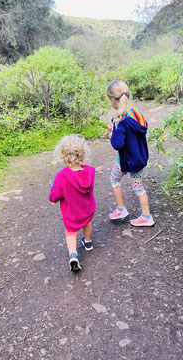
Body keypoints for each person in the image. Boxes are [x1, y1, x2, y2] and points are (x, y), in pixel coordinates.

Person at [106, 80, 154, 227]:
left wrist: (111, 135)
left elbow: (117, 144)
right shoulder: (135, 112)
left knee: (114, 179)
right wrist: (115, 130)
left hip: (126, 160)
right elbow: (132, 132)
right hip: (139, 158)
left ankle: (121, 209)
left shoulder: (119, 120)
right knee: (138, 186)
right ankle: (146, 216)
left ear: (114, 100)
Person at [49, 135, 96, 272]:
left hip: (71, 213)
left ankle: (73, 256)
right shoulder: (90, 172)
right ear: (82, 156)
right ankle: (88, 243)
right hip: (86, 209)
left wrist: (52, 188)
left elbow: (55, 196)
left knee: (71, 232)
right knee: (87, 223)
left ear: (64, 158)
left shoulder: (62, 176)